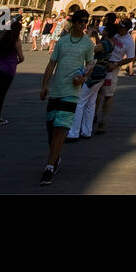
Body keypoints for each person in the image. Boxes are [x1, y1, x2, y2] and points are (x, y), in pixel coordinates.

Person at [39, 10, 95, 185]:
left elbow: (90, 64)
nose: (83, 24)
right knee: (51, 130)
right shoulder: (62, 42)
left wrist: (84, 76)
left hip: (72, 92)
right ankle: (55, 157)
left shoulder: (87, 44)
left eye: (86, 21)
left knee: (61, 129)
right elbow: (51, 64)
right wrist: (44, 86)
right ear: (74, 22)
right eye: (81, 21)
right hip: (56, 90)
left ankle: (49, 167)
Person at [0, 19, 24, 123]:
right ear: (19, 30)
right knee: (1, 94)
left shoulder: (2, 39)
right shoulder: (16, 41)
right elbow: (21, 57)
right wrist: (15, 62)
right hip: (9, 69)